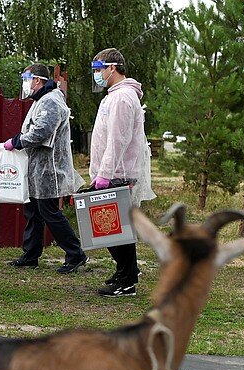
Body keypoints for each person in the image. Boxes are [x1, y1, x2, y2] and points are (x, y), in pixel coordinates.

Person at [4, 63, 88, 274]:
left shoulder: (51, 101)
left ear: (38, 80)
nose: (25, 84)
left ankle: (75, 254)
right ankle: (31, 255)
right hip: (39, 169)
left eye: (27, 79)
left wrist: (17, 142)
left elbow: (41, 131)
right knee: (33, 211)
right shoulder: (42, 99)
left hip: (50, 169)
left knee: (49, 212)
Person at [88, 48, 156, 297]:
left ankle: (127, 280)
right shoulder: (115, 95)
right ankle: (127, 270)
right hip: (111, 170)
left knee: (113, 228)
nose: (96, 75)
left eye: (98, 70)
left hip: (117, 172)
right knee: (113, 227)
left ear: (112, 68)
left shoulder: (123, 98)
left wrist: (105, 174)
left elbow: (118, 139)